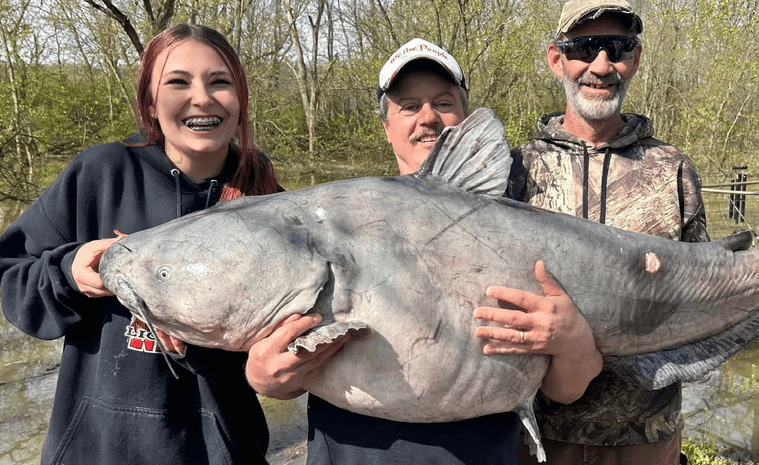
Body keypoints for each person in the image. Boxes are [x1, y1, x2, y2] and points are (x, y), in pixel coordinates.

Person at [471, 1, 759, 463]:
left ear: (634, 59)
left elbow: (708, 291)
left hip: (648, 438)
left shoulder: (672, 170)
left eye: (617, 48)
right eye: (585, 47)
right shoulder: (515, 172)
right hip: (537, 437)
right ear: (557, 59)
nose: (601, 65)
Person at [245, 38, 545, 465]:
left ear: (465, 116)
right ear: (386, 127)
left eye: (443, 102)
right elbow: (279, 352)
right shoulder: (324, 231)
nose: (428, 118)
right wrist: (262, 375)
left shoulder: (521, 230)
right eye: (408, 106)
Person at [0, 24, 281, 464]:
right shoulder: (102, 173)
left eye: (220, 82)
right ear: (150, 102)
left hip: (223, 450)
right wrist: (68, 273)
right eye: (178, 82)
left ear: (241, 100)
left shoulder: (269, 204)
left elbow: (279, 345)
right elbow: (10, 272)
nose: (202, 98)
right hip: (100, 451)